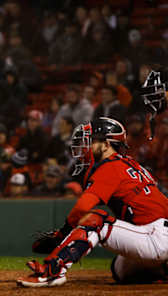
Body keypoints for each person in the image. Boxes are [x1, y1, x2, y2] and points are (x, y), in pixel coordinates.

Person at [17, 117, 168, 287]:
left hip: (155, 236)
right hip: (157, 234)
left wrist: (63, 234)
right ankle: (162, 269)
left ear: (106, 144)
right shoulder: (131, 164)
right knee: (120, 270)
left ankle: (53, 271)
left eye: (92, 141)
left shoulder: (110, 166)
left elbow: (82, 207)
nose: (86, 147)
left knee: (95, 219)